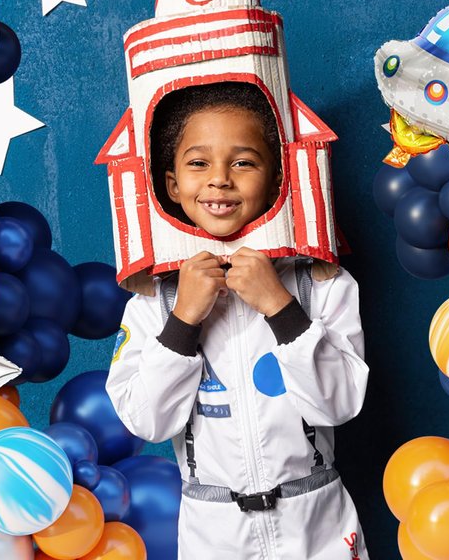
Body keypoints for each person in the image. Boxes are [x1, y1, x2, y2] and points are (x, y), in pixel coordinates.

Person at [106, 81, 370, 560]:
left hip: (316, 525)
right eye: (198, 163)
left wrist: (281, 307)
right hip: (214, 533)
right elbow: (147, 421)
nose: (219, 180)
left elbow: (339, 405)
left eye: (243, 162)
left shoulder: (321, 283)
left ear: (277, 178)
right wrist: (184, 319)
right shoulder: (154, 300)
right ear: (172, 185)